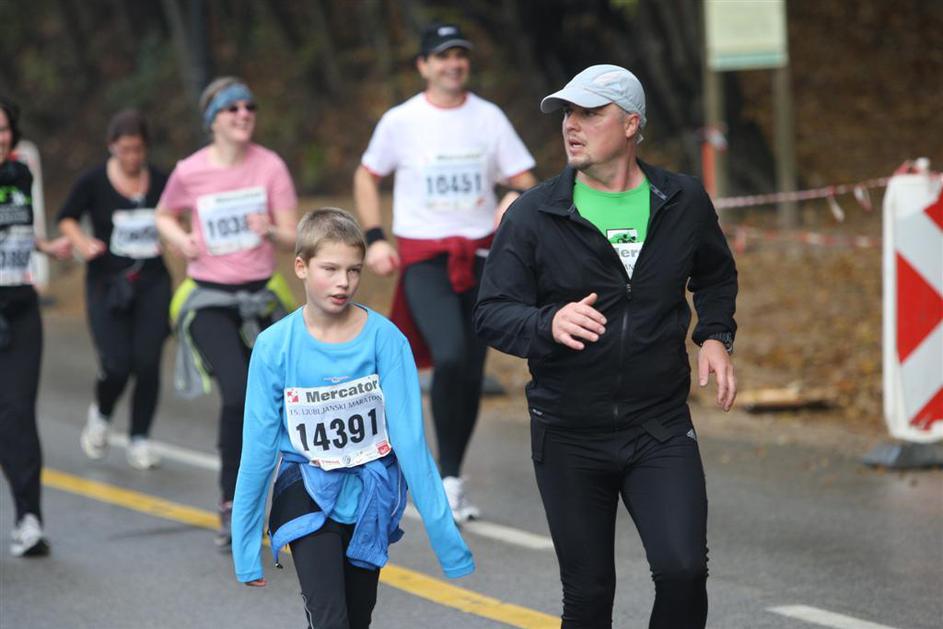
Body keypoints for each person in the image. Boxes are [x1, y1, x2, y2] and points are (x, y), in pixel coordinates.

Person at [474, 65, 738, 628]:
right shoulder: (534, 214)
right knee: (590, 595)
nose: (572, 125)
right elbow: (492, 312)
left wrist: (715, 335)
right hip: (568, 431)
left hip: (658, 425)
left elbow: (715, 275)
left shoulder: (681, 200)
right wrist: (547, 323)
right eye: (567, 113)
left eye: (590, 113)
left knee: (684, 571)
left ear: (631, 124)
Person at [232, 208, 474, 628]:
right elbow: (257, 450)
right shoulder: (274, 346)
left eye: (353, 270)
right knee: (330, 619)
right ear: (301, 267)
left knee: (357, 619)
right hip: (305, 489)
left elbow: (411, 443)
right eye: (330, 269)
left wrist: (445, 539)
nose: (343, 282)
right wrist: (246, 545)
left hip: (370, 495)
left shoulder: (386, 339)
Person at [353, 22, 538, 521]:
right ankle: (435, 470)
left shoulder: (488, 117)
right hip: (425, 260)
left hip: (480, 258)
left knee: (471, 370)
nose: (453, 64)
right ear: (424, 65)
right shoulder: (401, 121)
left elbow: (525, 178)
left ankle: (451, 477)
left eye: (460, 55)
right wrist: (375, 237)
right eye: (442, 56)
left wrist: (512, 198)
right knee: (450, 355)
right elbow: (366, 176)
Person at [156, 77, 299, 550]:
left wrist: (270, 230)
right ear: (212, 120)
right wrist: (181, 239)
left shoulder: (270, 165)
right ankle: (232, 502)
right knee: (238, 393)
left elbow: (294, 235)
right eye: (232, 108)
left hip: (261, 298)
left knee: (284, 400)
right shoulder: (190, 171)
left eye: (249, 106)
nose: (243, 114)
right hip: (209, 300)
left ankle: (294, 499)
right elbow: (163, 214)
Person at [57, 109, 171, 470]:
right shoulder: (93, 181)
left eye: (138, 150)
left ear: (146, 148)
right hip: (106, 283)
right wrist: (82, 242)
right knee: (117, 363)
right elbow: (66, 217)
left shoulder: (162, 180)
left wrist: (175, 234)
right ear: (112, 147)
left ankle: (140, 438)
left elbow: (178, 214)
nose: (132, 157)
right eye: (125, 150)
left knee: (148, 362)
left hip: (152, 282)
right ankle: (102, 413)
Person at [0, 98, 72, 556]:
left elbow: (19, 234)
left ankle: (29, 519)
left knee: (19, 412)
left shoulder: (20, 173)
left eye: (4, 129)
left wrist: (46, 248)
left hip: (20, 306)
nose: (1, 138)